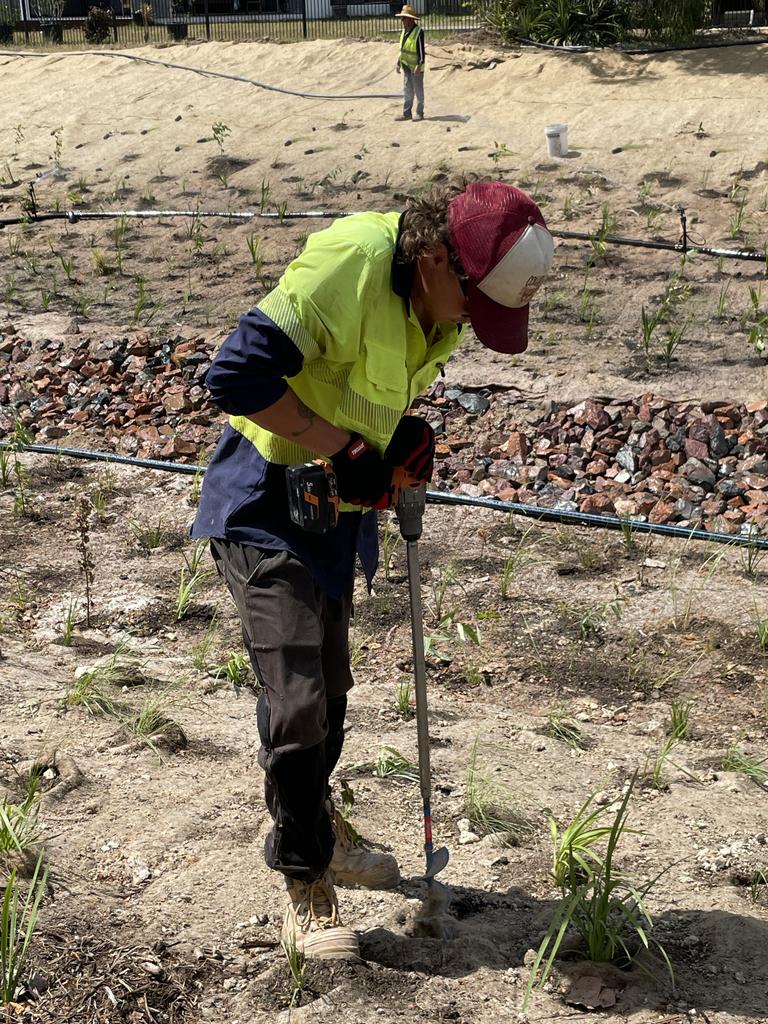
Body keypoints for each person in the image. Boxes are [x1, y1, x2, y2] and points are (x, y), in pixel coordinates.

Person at [192, 181, 554, 961]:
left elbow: (370, 392)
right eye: (473, 305)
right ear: (434, 260)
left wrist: (394, 442)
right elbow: (235, 376)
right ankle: (304, 880)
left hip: (331, 508)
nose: (470, 323)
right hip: (264, 496)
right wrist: (341, 445)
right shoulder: (350, 267)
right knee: (296, 697)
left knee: (331, 690)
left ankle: (309, 819)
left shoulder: (440, 304)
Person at [394, 3, 426, 122]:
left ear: (411, 19)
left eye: (404, 18)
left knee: (418, 91)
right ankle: (406, 113)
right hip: (406, 66)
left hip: (416, 67)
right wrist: (398, 62)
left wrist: (419, 65)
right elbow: (402, 49)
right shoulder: (404, 31)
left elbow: (422, 52)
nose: (402, 20)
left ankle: (419, 112)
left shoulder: (418, 32)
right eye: (402, 18)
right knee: (407, 90)